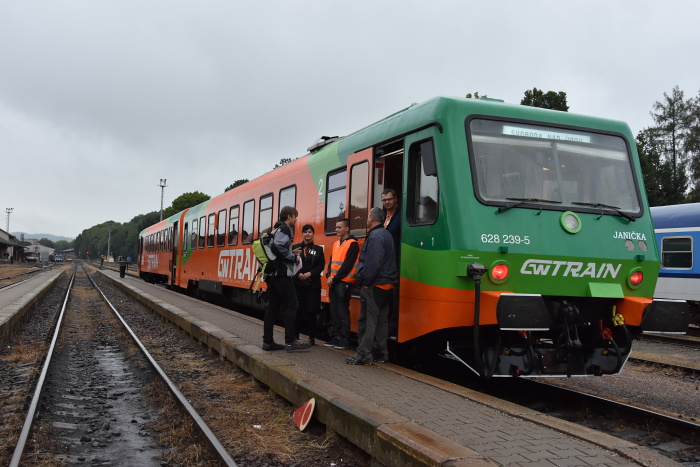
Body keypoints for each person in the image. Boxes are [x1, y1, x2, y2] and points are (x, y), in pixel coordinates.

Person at [346, 207, 397, 365]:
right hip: (387, 285)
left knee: (368, 321)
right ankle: (381, 353)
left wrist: (366, 282)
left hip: (375, 285)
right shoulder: (387, 234)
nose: (367, 219)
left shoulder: (375, 236)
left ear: (372, 218)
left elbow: (373, 262)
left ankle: (363, 355)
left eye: (368, 217)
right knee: (382, 321)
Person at [262, 206, 311, 352]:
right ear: (289, 216)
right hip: (282, 275)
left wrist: (290, 251)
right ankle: (290, 341)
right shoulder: (285, 229)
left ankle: (268, 342)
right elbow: (278, 246)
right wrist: (293, 257)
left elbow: (277, 247)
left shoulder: (275, 229)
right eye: (295, 216)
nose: (296, 220)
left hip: (273, 275)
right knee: (292, 304)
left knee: (272, 308)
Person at [325, 218, 359, 350]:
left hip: (343, 282)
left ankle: (344, 339)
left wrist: (335, 278)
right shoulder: (335, 244)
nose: (336, 229)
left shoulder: (352, 244)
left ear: (347, 229)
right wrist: (329, 276)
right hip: (334, 282)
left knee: (342, 310)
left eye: (339, 227)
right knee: (334, 310)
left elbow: (347, 265)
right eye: (336, 227)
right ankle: (336, 336)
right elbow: (331, 262)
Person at [292, 224, 325, 345]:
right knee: (297, 311)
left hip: (312, 285)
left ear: (313, 234)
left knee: (311, 311)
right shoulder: (295, 248)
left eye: (310, 232)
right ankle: (295, 337)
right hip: (297, 284)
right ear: (302, 234)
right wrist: (298, 275)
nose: (307, 234)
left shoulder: (318, 249)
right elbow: (291, 264)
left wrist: (309, 274)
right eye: (305, 232)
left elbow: (321, 266)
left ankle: (311, 338)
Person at [382, 188, 401, 338]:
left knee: (395, 296)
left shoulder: (400, 215)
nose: (387, 202)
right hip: (386, 262)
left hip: (396, 261)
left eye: (389, 199)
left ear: (395, 200)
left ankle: (393, 327)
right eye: (384, 200)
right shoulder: (384, 216)